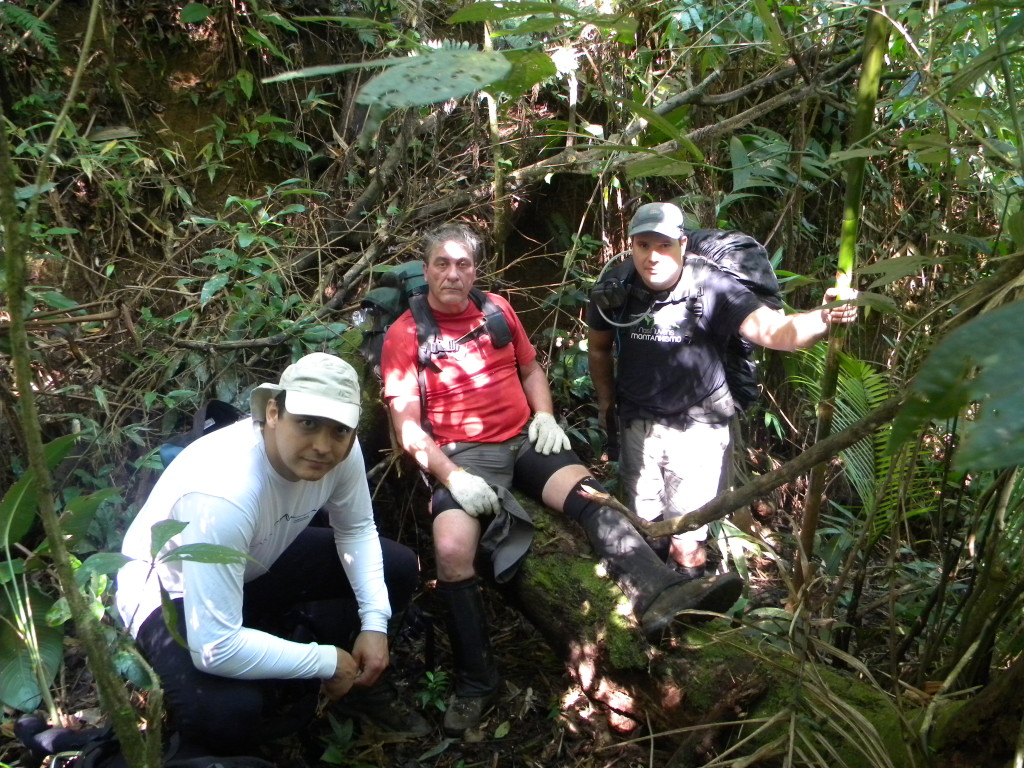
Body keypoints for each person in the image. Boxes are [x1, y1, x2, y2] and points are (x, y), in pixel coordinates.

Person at [380, 223, 743, 737]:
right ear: (427, 268)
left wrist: (544, 416)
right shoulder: (406, 334)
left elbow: (529, 371)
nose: (453, 274)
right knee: (453, 550)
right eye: (443, 263)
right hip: (463, 454)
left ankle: (660, 592)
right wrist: (451, 476)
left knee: (591, 497)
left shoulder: (496, 312)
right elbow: (408, 427)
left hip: (524, 439)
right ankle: (477, 681)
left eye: (463, 264)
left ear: (475, 270)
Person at [116, 353, 427, 757]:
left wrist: (374, 623)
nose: (322, 446)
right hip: (170, 589)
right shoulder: (225, 493)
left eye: (338, 430)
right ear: (274, 412)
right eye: (308, 423)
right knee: (227, 712)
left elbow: (356, 529)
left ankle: (351, 680)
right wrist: (323, 661)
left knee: (397, 569)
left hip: (255, 560)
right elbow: (216, 647)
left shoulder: (342, 452)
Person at [587, 202, 859, 578]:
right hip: (637, 421)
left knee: (686, 535)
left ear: (682, 244)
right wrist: (606, 404)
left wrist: (824, 317)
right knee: (643, 522)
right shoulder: (617, 285)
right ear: (631, 244)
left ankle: (692, 606)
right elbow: (599, 348)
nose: (652, 257)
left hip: (696, 427)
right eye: (643, 244)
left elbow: (772, 332)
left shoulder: (712, 285)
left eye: (664, 245)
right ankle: (652, 599)